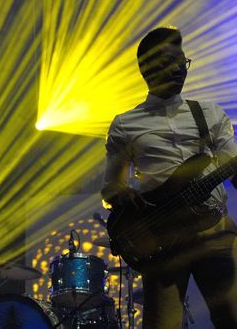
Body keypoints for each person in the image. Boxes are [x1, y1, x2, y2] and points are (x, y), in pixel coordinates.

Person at [101, 27, 237, 329]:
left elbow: (232, 167)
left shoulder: (210, 115)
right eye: (168, 62)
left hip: (213, 230)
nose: (178, 69)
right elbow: (110, 187)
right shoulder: (126, 124)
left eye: (182, 62)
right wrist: (120, 194)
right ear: (145, 69)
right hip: (162, 238)